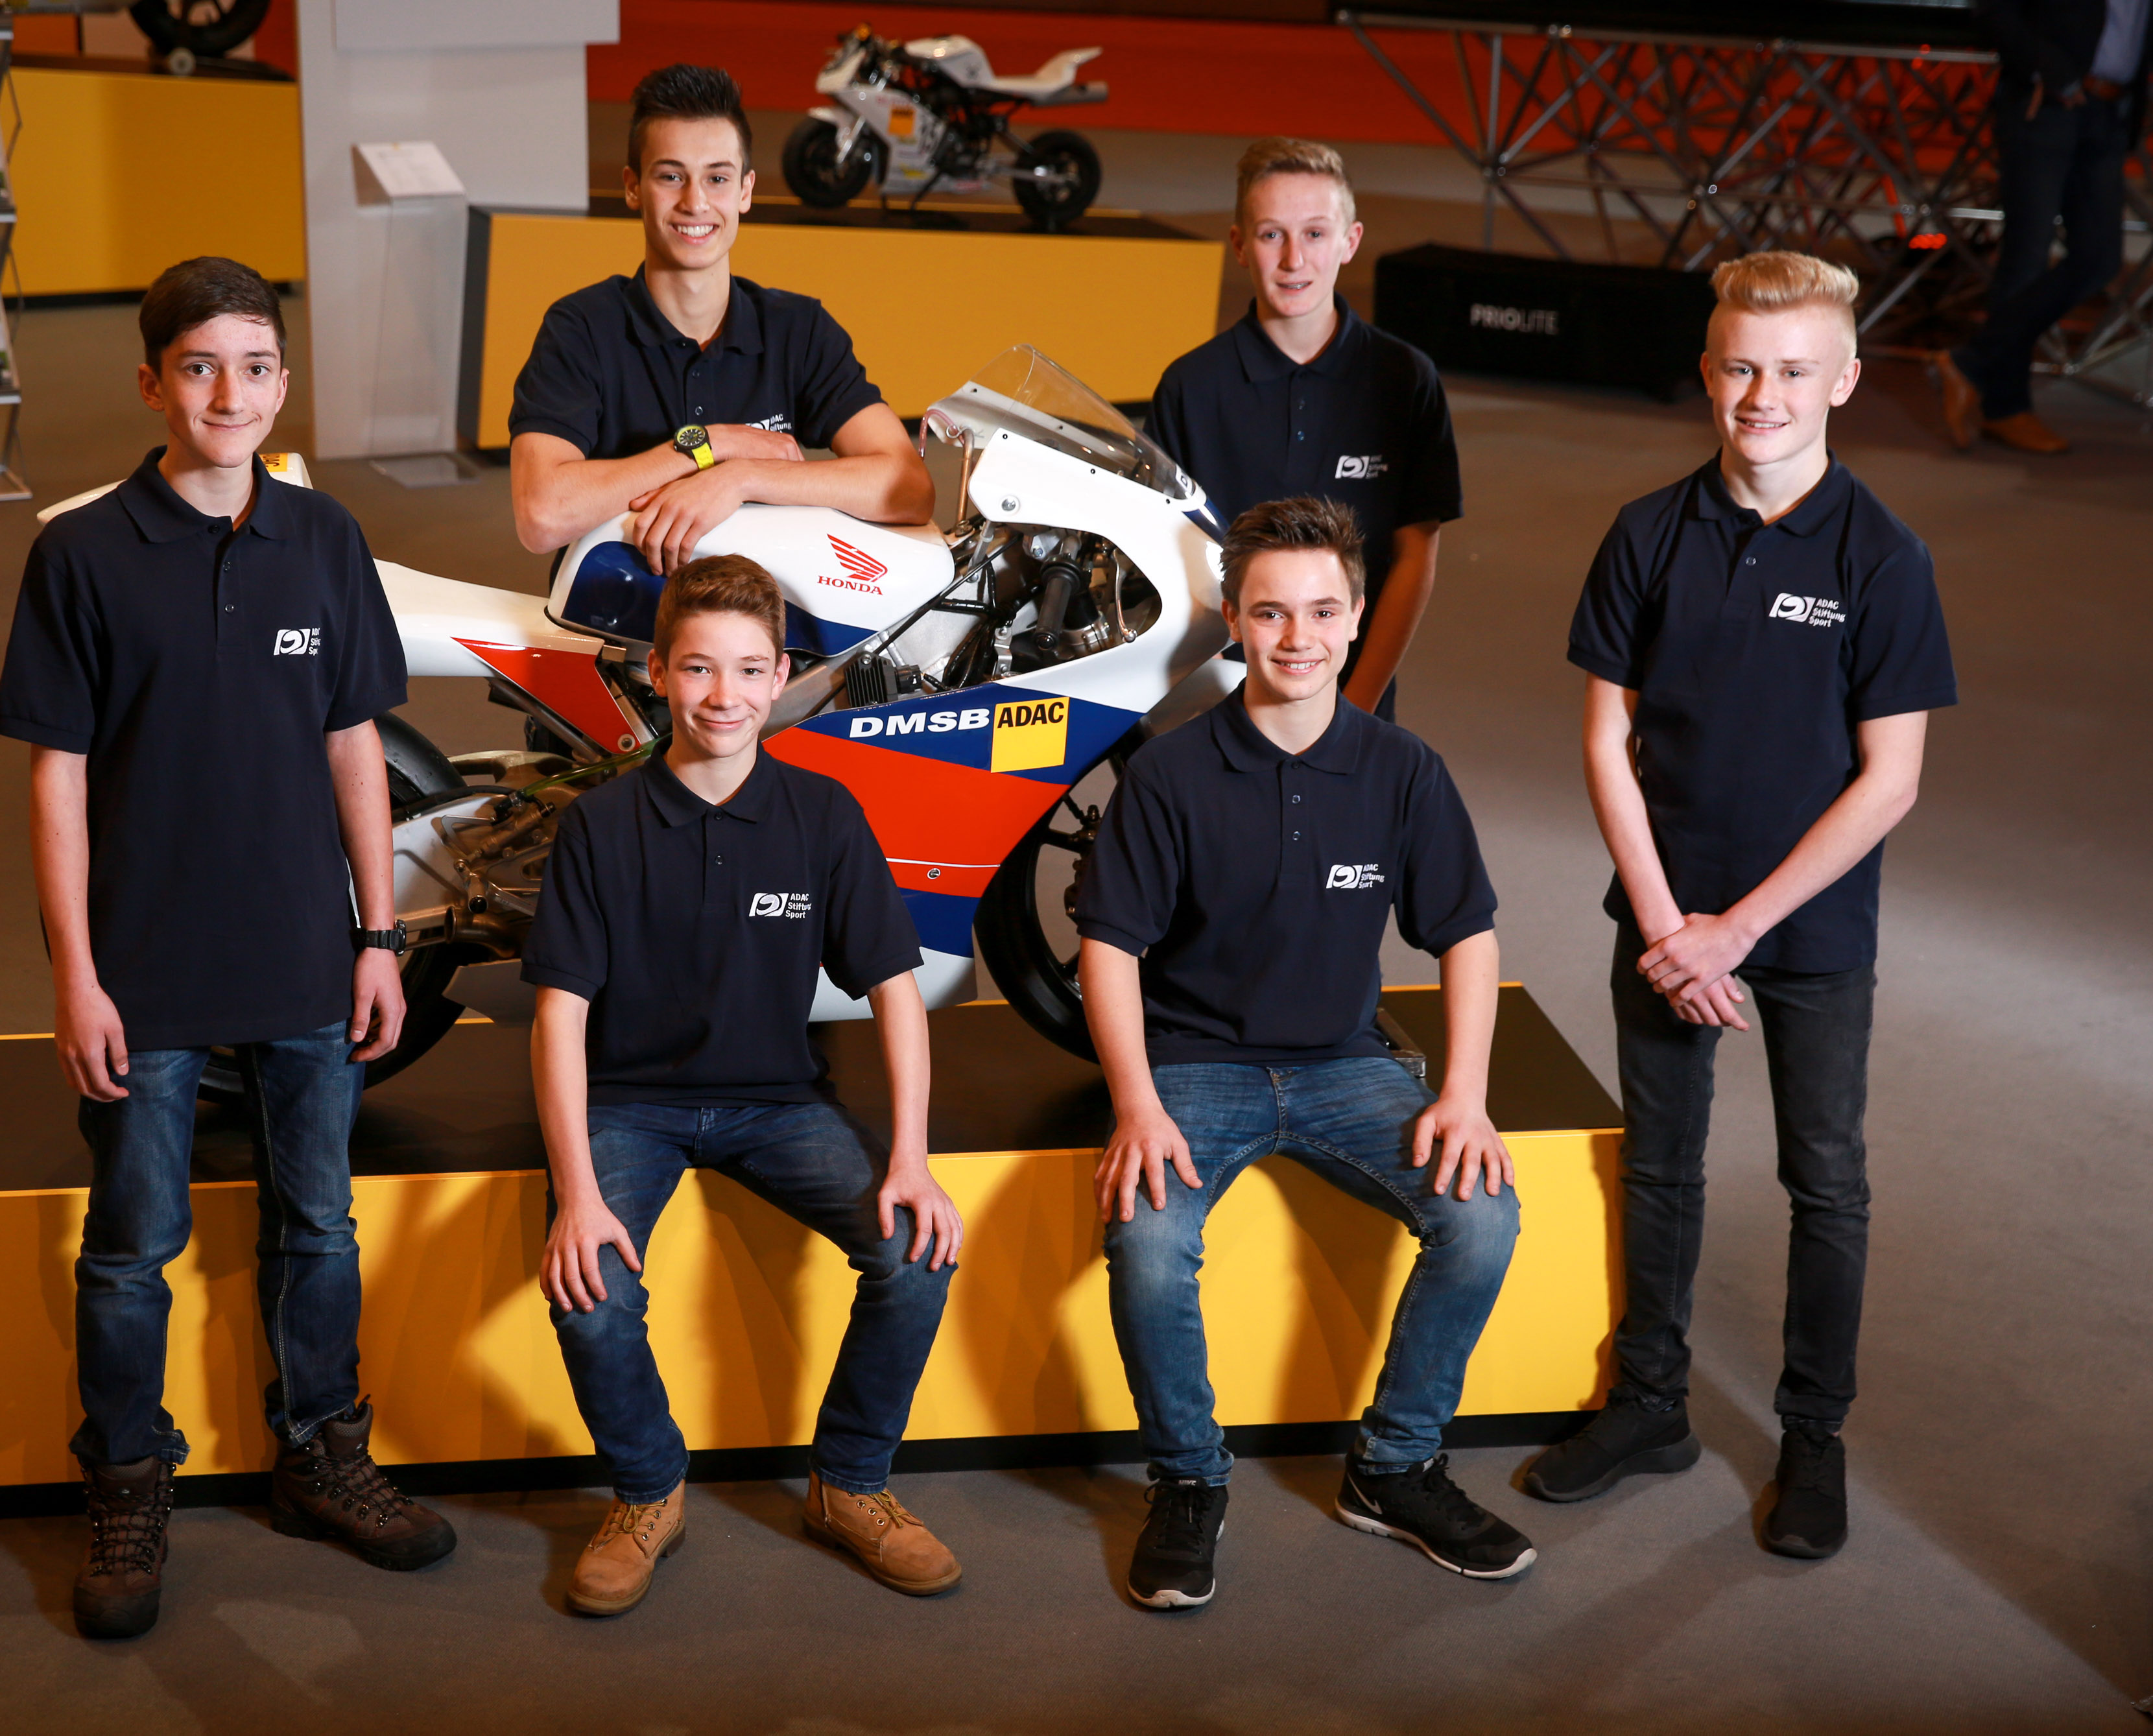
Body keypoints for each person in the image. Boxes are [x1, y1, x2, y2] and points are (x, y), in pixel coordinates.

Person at [0, 256, 456, 1641]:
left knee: (319, 1224)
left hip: (305, 957)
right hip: (144, 971)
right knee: (130, 1249)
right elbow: (57, 783)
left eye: (255, 368)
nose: (229, 395)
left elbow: (356, 744)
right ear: (153, 384)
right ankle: (127, 1486)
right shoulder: (81, 555)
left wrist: (378, 935)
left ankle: (321, 1454)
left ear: (283, 384)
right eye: (199, 367)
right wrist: (76, 978)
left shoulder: (325, 537)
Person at [1538, 252, 1957, 1560]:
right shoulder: (1646, 533)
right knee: (1659, 1163)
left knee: (1823, 1177)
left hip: (1808, 932)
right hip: (1664, 919)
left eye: (1789, 370)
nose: (1760, 394)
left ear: (1842, 380)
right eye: (1737, 366)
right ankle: (1649, 1403)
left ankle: (1812, 1434)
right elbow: (1605, 743)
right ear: (1707, 371)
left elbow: (1890, 781)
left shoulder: (1883, 557)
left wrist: (1739, 928)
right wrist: (1670, 925)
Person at [1077, 495, 1530, 1607]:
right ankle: (1189, 1479)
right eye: (1271, 612)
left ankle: (1393, 1467)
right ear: (1233, 619)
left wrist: (1464, 1096)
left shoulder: (1403, 770)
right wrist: (1136, 1103)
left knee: (1481, 1214)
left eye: (1324, 611)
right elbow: (1109, 946)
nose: (1299, 637)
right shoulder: (1170, 775)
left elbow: (1467, 934)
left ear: (1358, 616)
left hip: (1346, 1064)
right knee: (1147, 1243)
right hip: (1194, 1067)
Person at [523, 556, 966, 1617]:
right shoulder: (601, 825)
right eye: (698, 668)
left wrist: (911, 1160)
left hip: (779, 1102)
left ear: (780, 677)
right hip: (628, 1103)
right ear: (659, 674)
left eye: (749, 670)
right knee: (589, 1291)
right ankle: (648, 1490)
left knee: (916, 1249)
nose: (724, 695)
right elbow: (559, 1019)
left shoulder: (824, 814)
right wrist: (576, 1193)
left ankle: (850, 1482)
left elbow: (897, 995)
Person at [507, 62, 934, 574]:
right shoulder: (581, 328)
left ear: (745, 191)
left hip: (764, 622)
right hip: (618, 619)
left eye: (717, 178)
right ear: (633, 187)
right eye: (671, 176)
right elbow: (542, 515)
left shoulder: (798, 329)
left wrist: (739, 477)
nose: (696, 202)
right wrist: (713, 445)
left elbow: (908, 488)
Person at [1147, 138, 1460, 725]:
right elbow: (1164, 558)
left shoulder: (1405, 380)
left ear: (1350, 241)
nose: (1294, 259)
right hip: (1216, 707)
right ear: (1240, 244)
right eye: (1272, 235)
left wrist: (1354, 712)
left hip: (1356, 701)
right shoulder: (1191, 387)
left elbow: (1414, 556)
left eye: (1315, 233)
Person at [1933, 0, 2150, 453]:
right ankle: (2005, 408)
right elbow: (1993, 9)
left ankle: (1972, 362)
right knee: (2027, 257)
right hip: (2047, 102)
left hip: (2111, 110)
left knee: (2099, 259)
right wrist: (2053, 71)